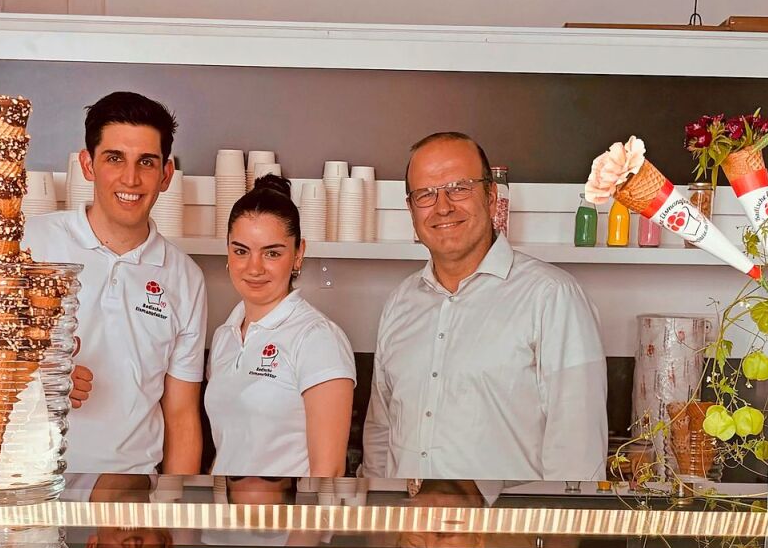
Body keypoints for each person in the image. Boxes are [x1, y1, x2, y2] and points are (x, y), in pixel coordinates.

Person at [363, 132, 607, 480]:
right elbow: (380, 434)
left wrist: (557, 535)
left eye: (459, 188)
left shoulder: (552, 297)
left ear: (492, 198)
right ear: (411, 210)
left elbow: (578, 454)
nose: (443, 206)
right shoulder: (401, 303)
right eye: (426, 194)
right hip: (411, 532)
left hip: (509, 533)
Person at [24, 91, 206, 476]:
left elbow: (182, 416)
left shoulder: (185, 278)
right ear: (88, 165)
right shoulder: (29, 244)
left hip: (129, 499)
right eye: (114, 158)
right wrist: (36, 377)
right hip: (23, 483)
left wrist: (173, 515)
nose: (131, 178)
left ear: (166, 174)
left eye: (146, 162)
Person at [203, 174, 356, 477]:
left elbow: (329, 473)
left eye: (272, 253)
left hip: (286, 523)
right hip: (225, 520)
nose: (254, 267)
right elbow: (229, 448)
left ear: (298, 253)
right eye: (241, 251)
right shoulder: (225, 336)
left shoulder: (318, 339)